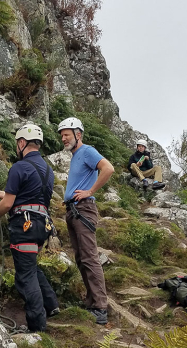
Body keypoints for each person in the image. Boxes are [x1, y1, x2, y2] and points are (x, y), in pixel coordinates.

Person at [0, 123, 59, 332]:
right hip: (41, 226)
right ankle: (51, 304)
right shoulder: (48, 170)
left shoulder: (19, 167)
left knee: (25, 275)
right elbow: (32, 195)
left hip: (24, 227)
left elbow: (8, 205)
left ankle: (37, 326)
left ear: (21, 143)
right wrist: (4, 194)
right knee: (31, 266)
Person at [58, 117, 114, 325]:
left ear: (78, 134)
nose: (64, 138)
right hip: (74, 210)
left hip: (83, 209)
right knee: (82, 258)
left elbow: (108, 168)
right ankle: (92, 302)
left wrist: (90, 191)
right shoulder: (75, 156)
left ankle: (100, 307)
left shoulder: (87, 151)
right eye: (62, 135)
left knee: (89, 257)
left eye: (67, 134)